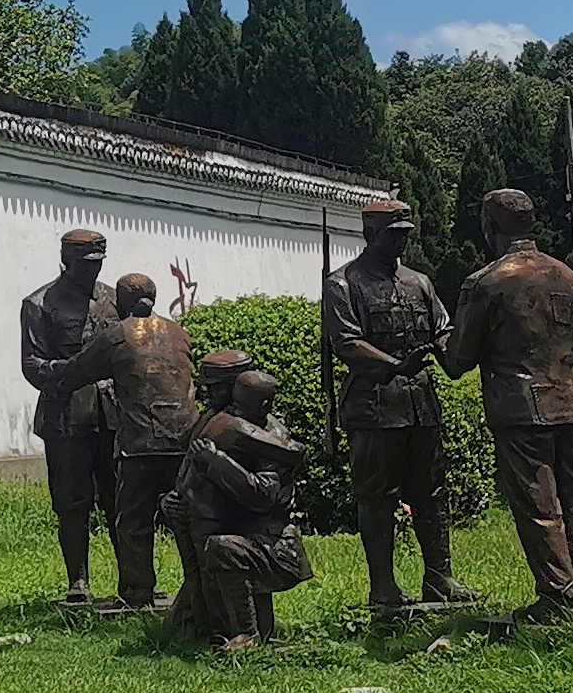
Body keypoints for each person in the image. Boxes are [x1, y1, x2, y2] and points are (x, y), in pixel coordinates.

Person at [441, 188, 573, 624]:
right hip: (571, 401)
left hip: (520, 409)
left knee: (538, 504)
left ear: (490, 226)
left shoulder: (487, 281)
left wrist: (439, 341)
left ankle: (557, 597)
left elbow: (458, 361)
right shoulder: (568, 276)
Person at [323, 201, 483, 612]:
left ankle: (439, 576)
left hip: (421, 405)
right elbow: (347, 343)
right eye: (394, 234)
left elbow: (442, 328)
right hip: (374, 408)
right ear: (371, 235)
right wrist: (395, 365)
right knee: (377, 498)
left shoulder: (420, 282)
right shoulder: (344, 284)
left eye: (406, 233)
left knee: (432, 491)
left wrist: (457, 355)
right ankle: (383, 586)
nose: (402, 241)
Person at [167, 362, 311, 647]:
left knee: (224, 551)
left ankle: (247, 634)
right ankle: (207, 631)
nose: (211, 395)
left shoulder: (267, 437)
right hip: (213, 525)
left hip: (272, 547)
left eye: (218, 388)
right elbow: (190, 464)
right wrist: (174, 498)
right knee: (200, 584)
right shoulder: (218, 420)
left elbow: (263, 494)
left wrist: (217, 462)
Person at [19, 229, 116, 604]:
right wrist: (75, 372)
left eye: (97, 265)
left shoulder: (113, 300)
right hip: (65, 416)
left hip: (111, 415)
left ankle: (133, 579)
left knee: (118, 499)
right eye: (84, 265)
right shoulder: (40, 304)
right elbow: (32, 364)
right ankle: (78, 580)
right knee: (72, 502)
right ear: (66, 262)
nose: (92, 272)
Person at [97, 276, 201, 611]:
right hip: (184, 438)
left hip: (139, 443)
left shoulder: (115, 335)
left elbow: (76, 371)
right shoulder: (179, 332)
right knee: (187, 515)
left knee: (133, 521)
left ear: (120, 302)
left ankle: (137, 594)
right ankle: (198, 586)